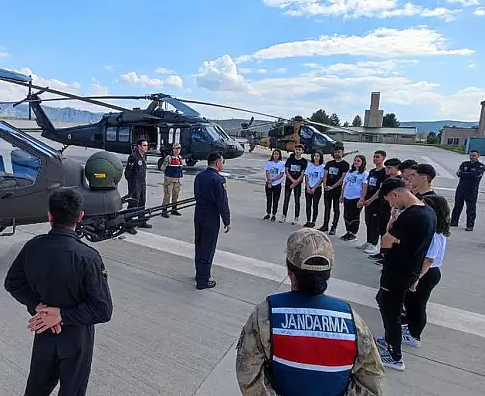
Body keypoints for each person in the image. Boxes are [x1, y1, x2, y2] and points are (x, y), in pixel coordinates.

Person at [235, 228, 384, 396]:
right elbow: (372, 381)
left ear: (289, 272)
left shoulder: (265, 315)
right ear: (328, 273)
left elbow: (249, 377)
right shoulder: (353, 322)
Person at [4, 188, 114, 396]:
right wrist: (62, 315)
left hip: (44, 330)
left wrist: (39, 307)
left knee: (36, 390)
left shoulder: (33, 247)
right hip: (76, 338)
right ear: (80, 217)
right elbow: (103, 310)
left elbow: (13, 283)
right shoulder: (88, 257)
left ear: (49, 216)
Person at [374, 178, 436, 371]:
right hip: (410, 269)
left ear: (395, 194)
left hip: (398, 271)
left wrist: (386, 253)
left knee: (390, 309)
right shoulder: (428, 211)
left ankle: (395, 355)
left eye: (390, 200)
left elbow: (387, 239)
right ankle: (389, 339)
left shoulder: (411, 215)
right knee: (384, 301)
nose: (391, 205)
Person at [402, 194, 449, 348]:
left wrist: (416, 278)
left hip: (427, 273)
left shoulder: (436, 234)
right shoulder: (432, 228)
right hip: (422, 271)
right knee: (410, 302)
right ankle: (409, 328)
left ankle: (415, 335)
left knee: (418, 305)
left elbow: (428, 260)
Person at [193, 152, 231, 290]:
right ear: (217, 163)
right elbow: (222, 202)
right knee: (208, 248)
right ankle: (203, 280)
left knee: (199, 245)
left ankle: (199, 274)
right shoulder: (219, 180)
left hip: (199, 214)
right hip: (211, 217)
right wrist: (226, 220)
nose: (222, 164)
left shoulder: (199, 176)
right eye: (222, 162)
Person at [367, 158, 401, 263]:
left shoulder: (399, 181)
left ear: (397, 168)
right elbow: (380, 191)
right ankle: (382, 251)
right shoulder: (387, 179)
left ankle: (386, 254)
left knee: (387, 231)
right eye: (386, 168)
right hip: (381, 206)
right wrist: (370, 200)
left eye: (389, 168)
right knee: (380, 227)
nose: (387, 170)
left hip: (390, 208)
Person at [357, 150, 388, 255]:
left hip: (377, 202)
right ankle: (369, 241)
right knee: (368, 221)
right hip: (368, 200)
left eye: (377, 157)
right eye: (374, 157)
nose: (375, 159)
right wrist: (363, 198)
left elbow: (381, 189)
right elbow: (366, 185)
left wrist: (371, 200)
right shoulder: (372, 171)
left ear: (383, 158)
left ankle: (374, 244)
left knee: (375, 223)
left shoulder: (384, 172)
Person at [451, 150, 485, 231]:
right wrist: (468, 174)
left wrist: (464, 174)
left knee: (471, 208)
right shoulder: (465, 164)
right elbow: (459, 174)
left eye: (474, 155)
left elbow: (476, 175)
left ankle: (470, 225)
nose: (471, 157)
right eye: (470, 155)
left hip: (472, 189)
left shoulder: (480, 166)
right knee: (457, 206)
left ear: (478, 156)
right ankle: (454, 221)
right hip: (461, 188)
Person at [319, 145, 350, 235]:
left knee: (336, 209)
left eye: (339, 152)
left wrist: (333, 187)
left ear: (342, 152)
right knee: (327, 208)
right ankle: (325, 225)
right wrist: (325, 185)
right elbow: (325, 175)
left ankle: (334, 227)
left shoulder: (345, 165)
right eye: (335, 152)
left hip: (336, 190)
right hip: (327, 189)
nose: (337, 153)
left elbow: (342, 178)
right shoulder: (329, 163)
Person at [124, 139, 151, 234]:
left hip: (142, 183)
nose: (146, 147)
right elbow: (127, 173)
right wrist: (132, 183)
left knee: (142, 202)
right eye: (144, 145)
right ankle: (128, 224)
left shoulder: (143, 156)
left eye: (147, 145)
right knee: (133, 203)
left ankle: (141, 221)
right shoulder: (133, 157)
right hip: (135, 184)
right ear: (139, 146)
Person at [340, 155, 368, 242]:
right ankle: (348, 231)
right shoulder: (350, 172)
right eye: (355, 160)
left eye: (358, 161)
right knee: (346, 215)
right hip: (347, 196)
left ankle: (353, 233)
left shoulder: (364, 174)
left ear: (362, 162)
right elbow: (344, 184)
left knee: (354, 216)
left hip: (356, 197)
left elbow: (364, 186)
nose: (356, 162)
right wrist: (342, 195)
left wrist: (362, 198)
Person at [280, 144, 308, 224]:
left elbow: (302, 173)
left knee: (297, 200)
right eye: (296, 149)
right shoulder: (290, 159)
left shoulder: (304, 161)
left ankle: (296, 217)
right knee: (286, 199)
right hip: (289, 182)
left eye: (299, 150)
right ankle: (284, 216)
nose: (297, 151)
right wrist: (292, 180)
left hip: (298, 183)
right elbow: (287, 171)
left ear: (302, 151)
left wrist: (296, 182)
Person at [161, 143, 185, 218]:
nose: (178, 150)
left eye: (179, 148)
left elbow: (181, 168)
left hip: (177, 179)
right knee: (167, 195)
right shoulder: (169, 158)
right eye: (176, 148)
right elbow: (163, 167)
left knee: (176, 195)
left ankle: (174, 209)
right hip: (169, 179)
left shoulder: (180, 158)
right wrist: (167, 175)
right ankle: (164, 210)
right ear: (173, 149)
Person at [303, 149, 325, 228]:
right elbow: (306, 176)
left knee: (315, 205)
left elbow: (321, 179)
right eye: (315, 156)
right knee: (308, 205)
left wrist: (315, 187)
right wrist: (307, 186)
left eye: (318, 156)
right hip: (309, 187)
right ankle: (308, 220)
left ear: (320, 157)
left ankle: (313, 221)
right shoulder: (310, 166)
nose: (316, 157)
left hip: (317, 188)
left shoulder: (322, 167)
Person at [264, 149, 285, 221]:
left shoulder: (282, 163)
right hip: (269, 183)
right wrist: (269, 181)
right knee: (269, 199)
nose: (276, 155)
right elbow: (267, 172)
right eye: (275, 154)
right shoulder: (269, 163)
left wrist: (273, 180)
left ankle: (274, 214)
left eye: (277, 154)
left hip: (277, 184)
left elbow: (281, 174)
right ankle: (268, 213)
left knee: (276, 200)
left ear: (279, 155)